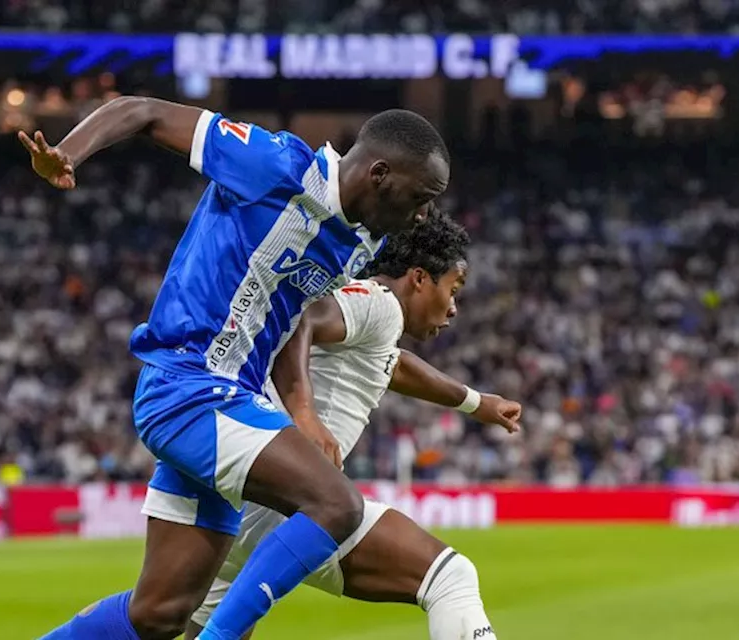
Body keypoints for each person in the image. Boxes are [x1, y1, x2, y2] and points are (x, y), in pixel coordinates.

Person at [23, 97, 456, 640]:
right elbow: (142, 111)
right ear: (379, 174)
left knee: (160, 613)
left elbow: (297, 320)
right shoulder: (274, 165)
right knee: (335, 504)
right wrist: (68, 152)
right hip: (187, 389)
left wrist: (300, 408)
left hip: (228, 403)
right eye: (420, 198)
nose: (422, 215)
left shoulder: (367, 239)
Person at [187, 206, 515, 640]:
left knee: (186, 626)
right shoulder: (379, 305)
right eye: (453, 289)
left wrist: (477, 403)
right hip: (295, 503)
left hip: (249, 495)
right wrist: (304, 414)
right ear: (419, 279)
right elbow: (303, 318)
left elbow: (395, 366)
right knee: (450, 577)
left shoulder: (374, 326)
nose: (453, 307)